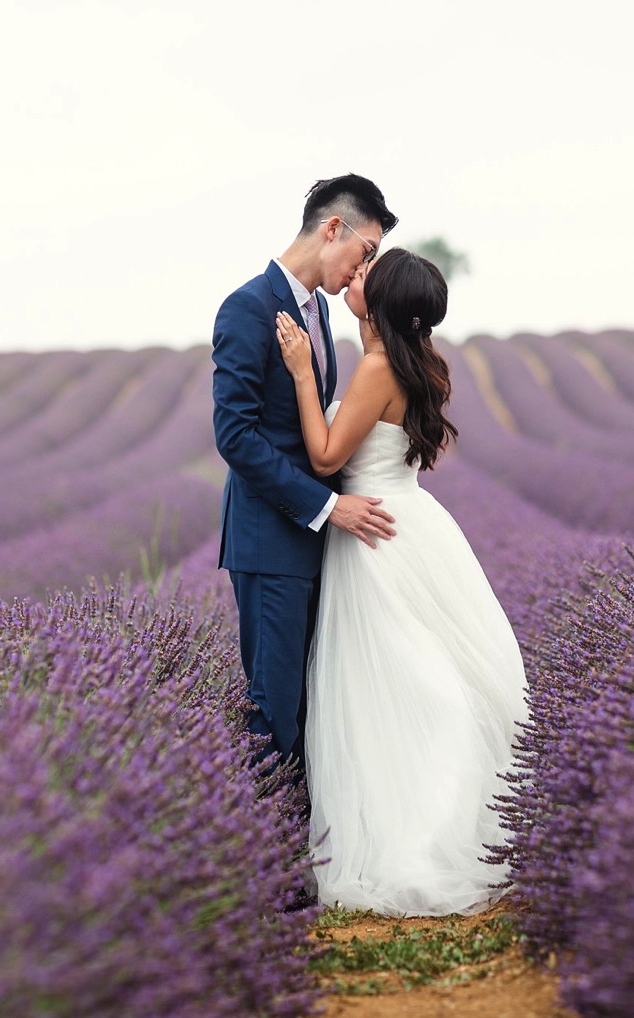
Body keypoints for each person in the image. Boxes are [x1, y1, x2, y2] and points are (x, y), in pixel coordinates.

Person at [274, 248, 530, 917]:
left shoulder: (378, 367)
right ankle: (439, 824)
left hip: (373, 536)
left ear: (382, 301)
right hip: (413, 525)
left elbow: (326, 456)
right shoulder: (413, 362)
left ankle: (416, 842)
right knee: (414, 679)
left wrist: (301, 374)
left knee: (391, 683)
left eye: (369, 273)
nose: (356, 274)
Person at [211, 175, 400, 794]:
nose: (363, 268)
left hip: (320, 544)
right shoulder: (247, 307)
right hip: (271, 542)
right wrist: (327, 505)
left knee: (314, 705)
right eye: (365, 251)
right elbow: (235, 436)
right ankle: (266, 840)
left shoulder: (318, 311)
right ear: (332, 229)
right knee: (274, 709)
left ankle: (302, 835)